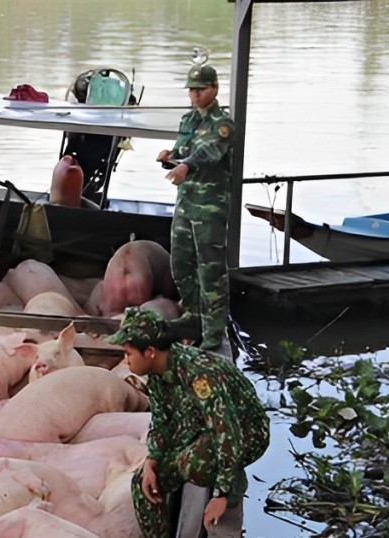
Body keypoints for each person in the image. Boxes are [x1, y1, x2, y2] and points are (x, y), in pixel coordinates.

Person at [106, 307, 269, 537]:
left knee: (192, 463)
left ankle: (234, 486)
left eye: (128, 353)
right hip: (202, 423)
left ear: (150, 352)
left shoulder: (199, 375)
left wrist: (221, 495)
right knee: (142, 483)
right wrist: (153, 458)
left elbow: (227, 432)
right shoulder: (157, 375)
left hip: (247, 430)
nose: (125, 360)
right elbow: (162, 422)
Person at [156, 64, 235, 352]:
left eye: (200, 89)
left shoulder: (223, 124)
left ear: (214, 89)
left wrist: (186, 165)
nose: (195, 95)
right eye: (191, 89)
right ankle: (195, 315)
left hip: (209, 207)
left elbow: (207, 152)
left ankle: (214, 331)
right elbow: (186, 149)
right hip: (186, 203)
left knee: (210, 270)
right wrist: (171, 156)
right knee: (180, 264)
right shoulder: (188, 120)